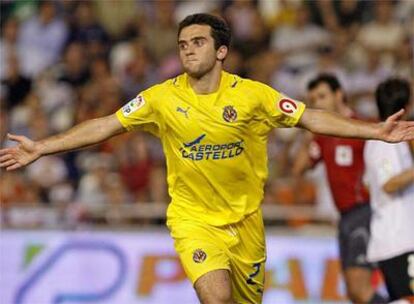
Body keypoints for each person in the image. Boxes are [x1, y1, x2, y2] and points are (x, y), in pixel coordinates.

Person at [1, 14, 413, 304]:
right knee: (215, 297)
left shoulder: (252, 95)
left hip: (246, 222)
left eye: (197, 42)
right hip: (193, 220)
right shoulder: (162, 98)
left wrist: (375, 130)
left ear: (221, 52)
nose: (187, 51)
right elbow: (106, 124)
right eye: (182, 44)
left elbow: (310, 117)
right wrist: (42, 147)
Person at [292, 74, 387, 303]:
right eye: (313, 99)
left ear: (339, 95)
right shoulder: (323, 136)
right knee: (354, 293)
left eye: (322, 96)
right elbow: (299, 168)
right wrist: (308, 133)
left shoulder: (363, 128)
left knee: (359, 288)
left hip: (365, 211)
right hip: (344, 217)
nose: (318, 104)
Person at [364, 78, 414, 303]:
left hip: (401, 237)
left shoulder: (392, 139)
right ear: (406, 106)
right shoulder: (383, 142)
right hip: (397, 239)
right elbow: (389, 183)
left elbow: (368, 182)